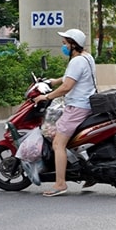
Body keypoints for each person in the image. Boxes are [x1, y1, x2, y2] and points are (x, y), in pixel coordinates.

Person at [33, 28, 96, 197]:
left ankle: (60, 183)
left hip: (77, 107)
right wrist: (53, 81)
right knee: (73, 139)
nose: (64, 47)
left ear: (73, 45)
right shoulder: (86, 57)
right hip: (86, 104)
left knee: (58, 143)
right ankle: (88, 170)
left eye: (65, 44)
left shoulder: (76, 61)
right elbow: (70, 78)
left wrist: (46, 96)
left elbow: (67, 87)